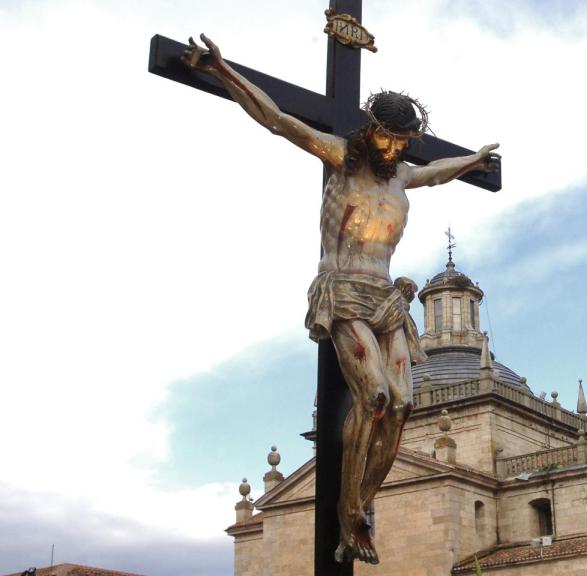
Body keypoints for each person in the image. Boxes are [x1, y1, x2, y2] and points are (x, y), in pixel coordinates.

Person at [182, 34, 499, 565]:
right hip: (344, 290)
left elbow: (436, 173)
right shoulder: (340, 160)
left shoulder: (402, 175)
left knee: (402, 405)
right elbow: (277, 119)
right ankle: (348, 510)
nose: (394, 151)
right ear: (370, 130)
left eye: (403, 143)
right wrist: (221, 70)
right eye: (388, 140)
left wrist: (474, 160)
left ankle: (359, 507)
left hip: (386, 298)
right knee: (373, 396)